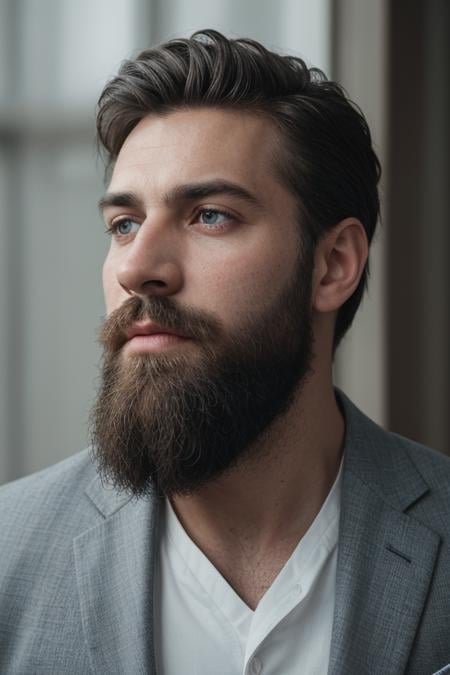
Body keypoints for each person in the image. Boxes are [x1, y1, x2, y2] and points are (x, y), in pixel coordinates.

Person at [0, 28, 449, 675]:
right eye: (124, 224)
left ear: (332, 265)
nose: (138, 268)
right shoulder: (11, 554)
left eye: (209, 214)